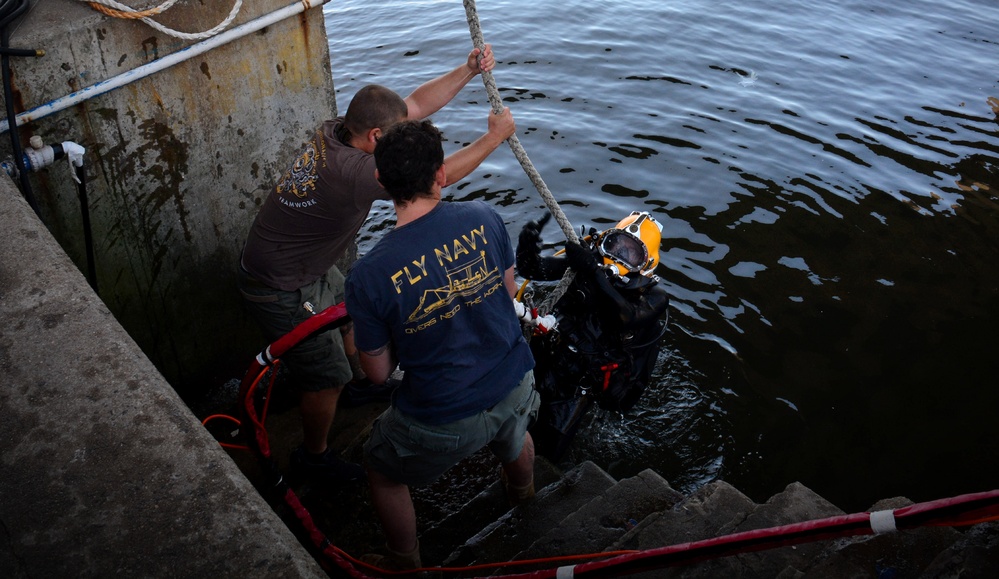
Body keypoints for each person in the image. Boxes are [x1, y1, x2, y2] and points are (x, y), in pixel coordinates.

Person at [237, 45, 507, 484]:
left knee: (352, 316)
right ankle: (314, 457)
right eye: (395, 135)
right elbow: (434, 181)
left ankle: (364, 385)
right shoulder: (356, 172)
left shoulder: (340, 131)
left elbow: (414, 105)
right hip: (280, 283)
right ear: (377, 138)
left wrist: (468, 69)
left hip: (309, 262)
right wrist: (494, 138)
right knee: (325, 375)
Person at [344, 118, 538, 570]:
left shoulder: (369, 275)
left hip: (441, 416)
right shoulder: (485, 218)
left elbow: (375, 374)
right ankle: (526, 499)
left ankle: (405, 562)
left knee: (382, 470)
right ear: (441, 174)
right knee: (515, 433)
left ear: (381, 182)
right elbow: (508, 295)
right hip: (515, 381)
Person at [515, 210, 670, 460]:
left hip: (582, 383)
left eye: (632, 253)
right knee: (506, 411)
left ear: (646, 264)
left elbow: (627, 316)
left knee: (547, 451)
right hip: (550, 351)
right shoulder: (585, 265)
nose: (619, 256)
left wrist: (593, 271)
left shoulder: (654, 297)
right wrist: (527, 245)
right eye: (616, 245)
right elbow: (531, 268)